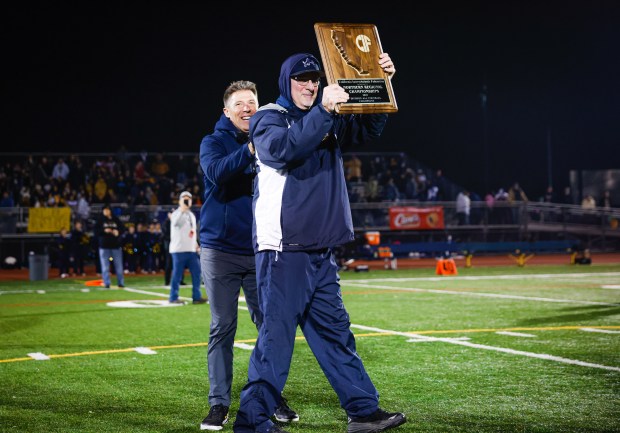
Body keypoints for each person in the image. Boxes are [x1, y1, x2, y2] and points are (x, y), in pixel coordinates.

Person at [232, 53, 406, 433]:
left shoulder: (324, 116)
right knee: (276, 340)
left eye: (315, 79)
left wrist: (381, 83)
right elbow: (285, 150)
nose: (310, 85)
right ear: (285, 82)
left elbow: (368, 128)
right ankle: (252, 421)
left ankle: (362, 411)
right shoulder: (267, 117)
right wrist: (325, 112)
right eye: (302, 80)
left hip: (319, 249)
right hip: (284, 249)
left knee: (335, 335)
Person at [198, 80, 298, 431]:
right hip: (220, 250)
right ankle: (218, 403)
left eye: (252, 102)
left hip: (261, 248)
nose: (246, 108)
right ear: (226, 111)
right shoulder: (213, 142)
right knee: (223, 326)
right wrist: (251, 150)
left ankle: (269, 396)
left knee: (270, 328)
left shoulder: (270, 138)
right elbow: (217, 173)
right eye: (239, 104)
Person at [168, 190, 206, 305]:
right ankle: (173, 297)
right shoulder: (176, 213)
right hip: (178, 250)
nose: (186, 201)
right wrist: (182, 209)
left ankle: (197, 296)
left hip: (191, 250)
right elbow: (174, 223)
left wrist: (195, 244)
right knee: (177, 275)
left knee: (197, 273)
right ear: (179, 201)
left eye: (188, 199)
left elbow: (192, 232)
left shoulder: (191, 215)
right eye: (184, 199)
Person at [95, 204, 125, 288]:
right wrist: (104, 231)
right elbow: (96, 232)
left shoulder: (116, 219)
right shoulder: (100, 220)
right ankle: (107, 283)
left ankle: (121, 282)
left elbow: (122, 229)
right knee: (105, 267)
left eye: (107, 210)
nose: (106, 212)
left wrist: (118, 232)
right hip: (104, 246)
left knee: (119, 266)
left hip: (116, 246)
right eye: (104, 210)